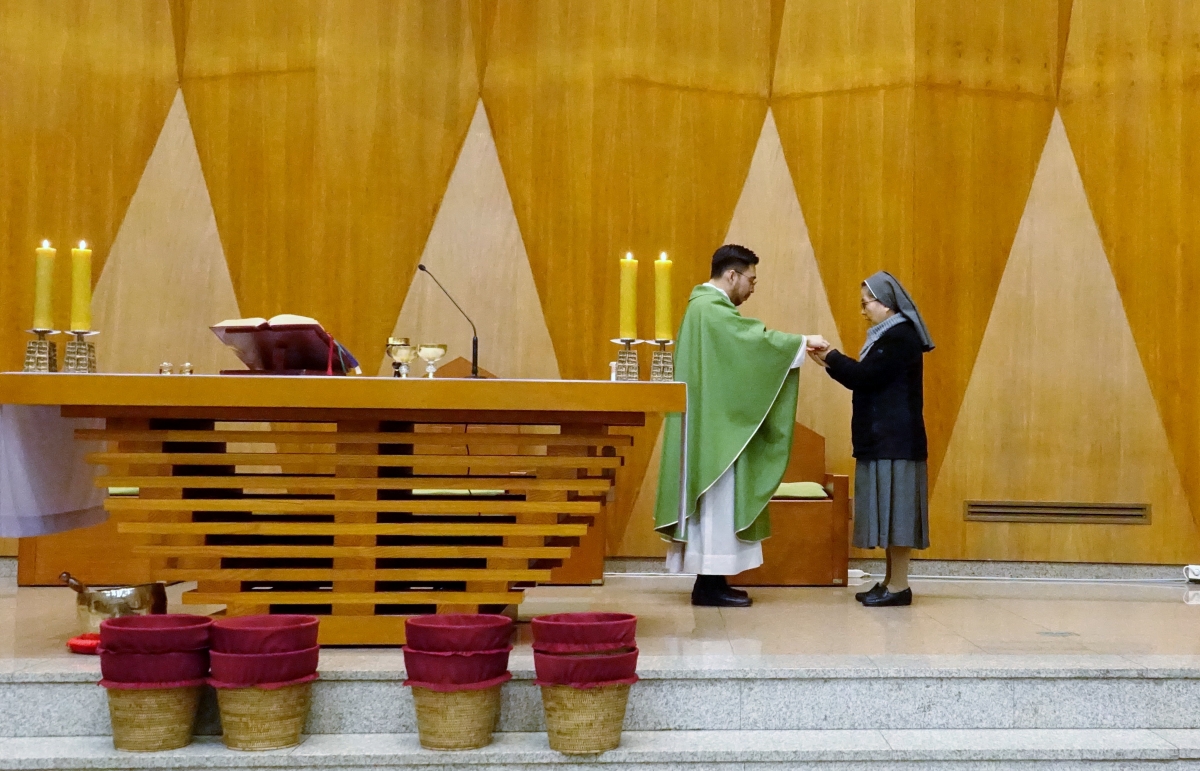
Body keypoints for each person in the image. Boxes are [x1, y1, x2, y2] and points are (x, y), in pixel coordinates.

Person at [654, 244, 822, 607]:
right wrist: (801, 342)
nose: (752, 289)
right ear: (732, 275)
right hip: (715, 431)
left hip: (714, 422)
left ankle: (712, 582)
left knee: (717, 507)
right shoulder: (711, 310)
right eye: (751, 280)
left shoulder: (704, 308)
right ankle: (709, 586)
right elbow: (752, 343)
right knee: (717, 504)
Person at [807, 272, 934, 607]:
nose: (863, 311)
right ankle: (891, 581)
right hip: (885, 440)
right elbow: (865, 379)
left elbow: (866, 377)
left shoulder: (900, 336)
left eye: (866, 304)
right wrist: (829, 361)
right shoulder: (889, 336)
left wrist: (831, 356)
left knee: (899, 517)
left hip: (896, 441)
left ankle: (899, 585)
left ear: (886, 304)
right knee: (891, 516)